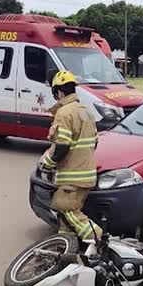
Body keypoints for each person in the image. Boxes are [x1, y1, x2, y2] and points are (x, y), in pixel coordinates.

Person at [39, 70, 101, 240]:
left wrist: (47, 163)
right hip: (86, 174)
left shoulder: (65, 113)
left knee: (67, 210)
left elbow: (62, 146)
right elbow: (95, 142)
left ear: (58, 92)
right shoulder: (86, 112)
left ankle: (100, 241)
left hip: (72, 177)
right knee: (65, 222)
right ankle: (65, 249)